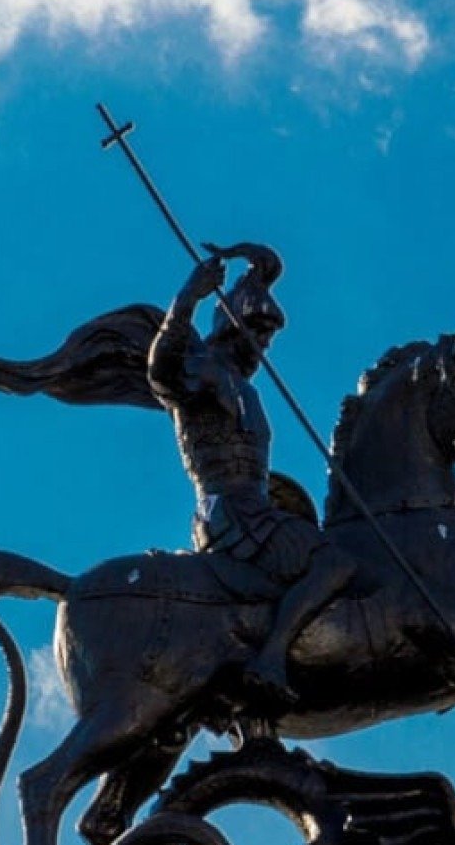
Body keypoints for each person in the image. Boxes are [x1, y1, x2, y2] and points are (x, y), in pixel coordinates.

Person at [148, 243, 356, 706]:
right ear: (233, 326)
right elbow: (162, 374)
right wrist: (188, 298)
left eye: (269, 337)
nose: (264, 345)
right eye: (259, 333)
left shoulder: (243, 387)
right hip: (231, 512)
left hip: (255, 508)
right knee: (334, 564)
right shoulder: (203, 369)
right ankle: (272, 658)